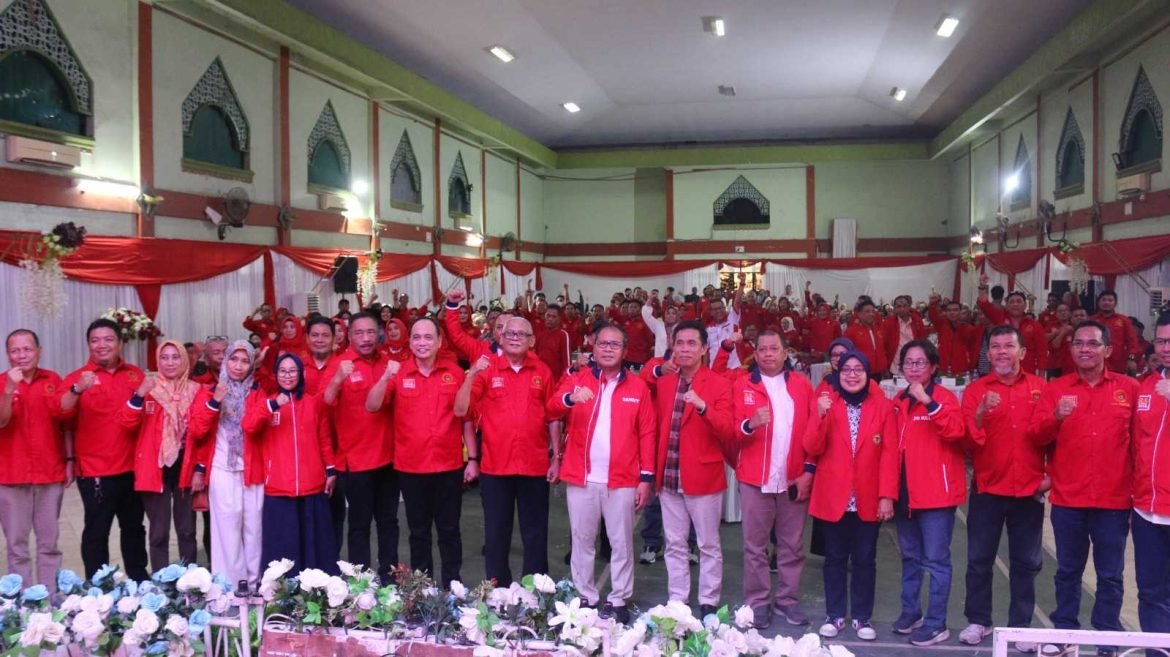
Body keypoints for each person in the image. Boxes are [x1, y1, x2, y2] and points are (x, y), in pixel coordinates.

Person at [1028, 321, 1138, 657]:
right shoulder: (1056, 389)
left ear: (1108, 349)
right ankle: (1065, 630)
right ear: (1071, 348)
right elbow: (1037, 436)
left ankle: (1108, 636)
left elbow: (1140, 445)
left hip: (1114, 500)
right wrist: (1055, 417)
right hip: (1069, 499)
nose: (1085, 349)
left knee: (1110, 574)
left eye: (1093, 343)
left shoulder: (1129, 389)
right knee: (1068, 571)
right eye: (1078, 343)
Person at [549, 323, 656, 624]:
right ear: (593, 348)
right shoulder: (577, 379)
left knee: (621, 542)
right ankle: (585, 595)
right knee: (582, 540)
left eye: (615, 344)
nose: (608, 349)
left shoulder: (638, 387)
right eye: (603, 344)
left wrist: (646, 478)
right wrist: (570, 399)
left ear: (625, 350)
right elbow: (551, 408)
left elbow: (648, 433)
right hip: (581, 476)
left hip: (622, 479)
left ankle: (619, 598)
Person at [365, 317, 477, 586]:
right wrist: (385, 376)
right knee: (418, 532)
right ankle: (422, 588)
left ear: (439, 342)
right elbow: (372, 405)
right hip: (411, 467)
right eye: (416, 337)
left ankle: (452, 586)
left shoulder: (454, 373)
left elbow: (466, 419)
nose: (422, 343)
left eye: (428, 337)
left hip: (448, 465)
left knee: (449, 530)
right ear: (410, 342)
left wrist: (473, 459)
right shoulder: (399, 373)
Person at [958, 325, 1048, 652]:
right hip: (987, 489)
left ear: (1022, 352)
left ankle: (1020, 626)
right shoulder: (975, 390)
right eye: (995, 347)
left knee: (1025, 563)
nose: (1001, 352)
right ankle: (978, 620)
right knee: (979, 560)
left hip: (1029, 491)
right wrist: (980, 413)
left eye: (1008, 346)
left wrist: (1050, 479)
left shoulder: (1040, 388)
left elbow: (1056, 438)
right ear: (988, 354)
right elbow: (967, 443)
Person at [456, 317, 559, 586]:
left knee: (535, 533)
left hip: (534, 465)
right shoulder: (487, 370)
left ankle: (535, 587)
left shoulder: (542, 371)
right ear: (500, 338)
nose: (514, 338)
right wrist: (471, 375)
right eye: (509, 333)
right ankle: (497, 586)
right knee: (496, 532)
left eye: (521, 334)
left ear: (531, 341)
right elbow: (461, 410)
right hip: (495, 467)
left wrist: (556, 458)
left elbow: (553, 417)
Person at [805, 350, 897, 642]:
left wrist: (886, 496)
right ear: (837, 374)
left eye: (859, 369)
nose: (852, 375)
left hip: (868, 497)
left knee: (865, 559)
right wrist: (819, 415)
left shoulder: (883, 407)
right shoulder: (827, 404)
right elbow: (812, 447)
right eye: (846, 369)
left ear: (868, 374)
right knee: (834, 558)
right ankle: (834, 615)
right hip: (834, 496)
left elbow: (890, 455)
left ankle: (861, 617)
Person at [731, 330, 818, 629]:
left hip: (792, 478)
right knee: (755, 546)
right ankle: (757, 603)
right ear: (755, 354)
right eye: (763, 349)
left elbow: (814, 432)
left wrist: (808, 471)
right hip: (755, 479)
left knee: (792, 545)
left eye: (774, 349)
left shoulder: (802, 385)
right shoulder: (742, 384)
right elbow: (731, 430)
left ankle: (787, 600)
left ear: (785, 353)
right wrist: (749, 424)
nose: (768, 354)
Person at [58, 318, 149, 581]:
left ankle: (139, 581)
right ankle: (98, 587)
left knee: (134, 528)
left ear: (120, 343)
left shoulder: (135, 375)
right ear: (88, 345)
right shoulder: (77, 378)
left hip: (133, 469)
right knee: (97, 532)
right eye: (95, 340)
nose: (102, 345)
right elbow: (61, 410)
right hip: (95, 472)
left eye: (108, 339)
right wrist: (78, 390)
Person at [654, 321, 734, 616]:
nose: (685, 349)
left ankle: (708, 599)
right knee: (674, 543)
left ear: (704, 349)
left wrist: (703, 408)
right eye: (680, 343)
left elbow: (728, 429)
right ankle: (678, 599)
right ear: (672, 347)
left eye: (691, 343)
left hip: (703, 476)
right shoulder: (664, 382)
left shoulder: (719, 384)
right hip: (669, 475)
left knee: (708, 544)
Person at [889, 340, 966, 646]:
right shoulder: (899, 399)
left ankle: (936, 623)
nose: (914, 368)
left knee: (935, 561)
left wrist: (928, 402)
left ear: (933, 367)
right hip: (905, 494)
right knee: (909, 557)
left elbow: (956, 432)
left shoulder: (944, 398)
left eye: (920, 362)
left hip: (936, 496)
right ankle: (911, 613)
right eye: (908, 362)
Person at [118, 340, 210, 572]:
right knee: (158, 532)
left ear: (184, 360)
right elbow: (127, 423)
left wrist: (199, 468)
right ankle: (161, 578)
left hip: (185, 466)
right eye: (164, 357)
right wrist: (139, 395)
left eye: (175, 357)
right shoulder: (149, 389)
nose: (170, 363)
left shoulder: (196, 391)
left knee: (187, 530)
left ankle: (189, 579)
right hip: (155, 468)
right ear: (158, 361)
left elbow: (203, 433)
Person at [244, 353, 338, 574]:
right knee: (282, 544)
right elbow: (249, 426)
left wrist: (330, 469)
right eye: (283, 371)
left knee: (314, 543)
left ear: (301, 374)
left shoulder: (313, 403)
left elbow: (324, 438)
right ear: (276, 374)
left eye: (292, 371)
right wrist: (273, 405)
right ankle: (282, 588)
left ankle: (316, 586)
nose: (287, 376)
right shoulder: (267, 402)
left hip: (312, 485)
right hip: (279, 487)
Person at [322, 313, 398, 578]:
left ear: (378, 333)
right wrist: (337, 379)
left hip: (389, 458)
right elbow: (325, 403)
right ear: (349, 335)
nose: (365, 338)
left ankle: (390, 578)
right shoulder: (339, 364)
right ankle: (360, 583)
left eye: (370, 332)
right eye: (359, 333)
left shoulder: (389, 363)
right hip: (355, 461)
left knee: (389, 522)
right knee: (359, 525)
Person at [184, 341, 265, 589]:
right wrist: (215, 402)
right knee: (227, 529)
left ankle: (255, 585)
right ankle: (231, 587)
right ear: (225, 360)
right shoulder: (209, 391)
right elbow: (197, 430)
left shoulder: (258, 392)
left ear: (252, 365)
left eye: (245, 361)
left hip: (253, 469)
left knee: (254, 528)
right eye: (233, 359)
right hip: (222, 467)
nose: (238, 366)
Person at [0, 330, 71, 589]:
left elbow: (65, 423)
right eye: (15, 350)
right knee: (17, 546)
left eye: (27, 349)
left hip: (49, 472)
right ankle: (21, 601)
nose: (21, 355)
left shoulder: (53, 380)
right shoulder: (1, 382)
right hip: (11, 475)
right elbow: (2, 421)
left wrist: (70, 460)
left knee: (49, 544)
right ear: (8, 354)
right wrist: (9, 390)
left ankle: (49, 598)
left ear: (39, 352)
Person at [1132, 313, 1170, 656]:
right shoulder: (1146, 385)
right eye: (1160, 341)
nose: (1166, 348)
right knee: (1150, 592)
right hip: (1146, 511)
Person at [977, 279, 1047, 375]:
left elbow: (1042, 353)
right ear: (1006, 305)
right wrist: (982, 286)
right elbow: (984, 304)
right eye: (1012, 302)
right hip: (1001, 373)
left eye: (1019, 301)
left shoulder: (1035, 326)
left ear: (1025, 305)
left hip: (1026, 374)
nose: (1015, 304)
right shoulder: (999, 317)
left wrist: (1041, 378)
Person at [1091, 290, 1141, 374]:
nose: (1107, 302)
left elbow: (1132, 341)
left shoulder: (1124, 320)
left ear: (1115, 303)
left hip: (1118, 364)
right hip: (1096, 361)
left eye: (1110, 300)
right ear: (1099, 302)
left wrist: (1131, 358)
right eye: (1104, 300)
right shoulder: (1092, 320)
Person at [883, 296, 927, 376]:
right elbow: (884, 345)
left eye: (905, 306)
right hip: (895, 366)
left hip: (915, 363)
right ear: (894, 308)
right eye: (899, 306)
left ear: (909, 307)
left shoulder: (917, 321)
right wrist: (885, 367)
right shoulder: (888, 323)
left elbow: (923, 341)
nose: (902, 309)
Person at [844, 301, 889, 377]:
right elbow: (846, 353)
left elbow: (883, 350)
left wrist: (885, 368)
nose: (871, 314)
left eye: (873, 311)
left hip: (879, 372)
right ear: (859, 314)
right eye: (867, 311)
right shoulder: (851, 332)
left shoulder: (879, 330)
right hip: (861, 373)